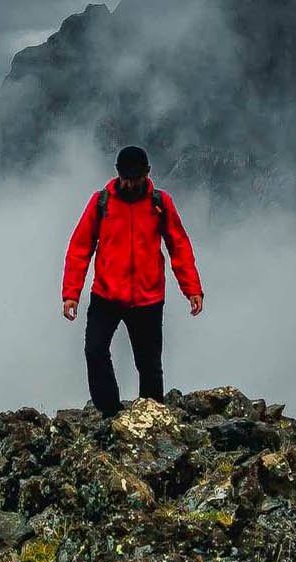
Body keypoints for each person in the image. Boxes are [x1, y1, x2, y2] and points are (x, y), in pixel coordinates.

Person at [61, 145, 204, 417]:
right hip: (106, 295)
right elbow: (80, 247)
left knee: (149, 365)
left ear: (147, 174)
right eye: (126, 177)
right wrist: (71, 294)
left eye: (136, 177)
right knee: (95, 350)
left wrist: (192, 289)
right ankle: (110, 412)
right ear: (118, 174)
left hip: (147, 298)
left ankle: (150, 418)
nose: (130, 183)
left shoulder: (160, 203)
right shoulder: (101, 202)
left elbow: (179, 246)